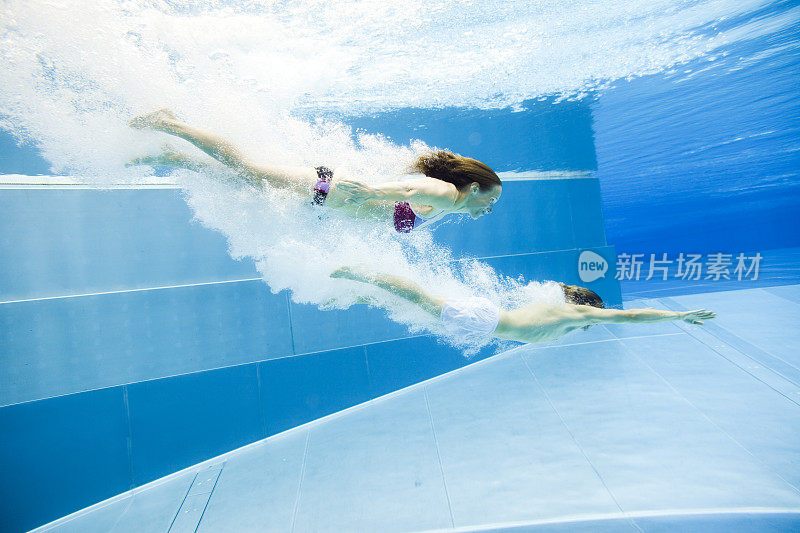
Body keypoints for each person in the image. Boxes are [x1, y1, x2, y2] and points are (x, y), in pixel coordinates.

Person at [129, 109, 502, 232]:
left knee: (240, 178)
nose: (489, 208)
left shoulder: (448, 207)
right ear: (472, 187)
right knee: (244, 167)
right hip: (325, 189)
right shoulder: (446, 194)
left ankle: (173, 156)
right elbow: (409, 191)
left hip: (321, 197)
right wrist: (373, 192)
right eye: (491, 199)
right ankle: (170, 124)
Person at [330, 266, 716, 344]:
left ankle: (363, 289)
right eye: (594, 316)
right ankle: (361, 273)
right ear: (588, 307)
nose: (593, 323)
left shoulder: (561, 313)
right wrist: (678, 315)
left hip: (482, 324)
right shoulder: (575, 313)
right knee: (418, 297)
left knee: (417, 305)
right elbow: (630, 316)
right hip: (485, 320)